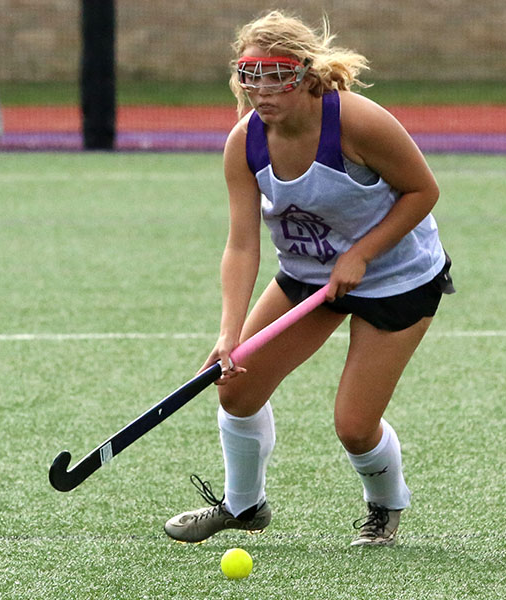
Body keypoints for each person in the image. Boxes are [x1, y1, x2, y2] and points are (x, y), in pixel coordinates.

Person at [164, 10, 453, 547]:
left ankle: (385, 507)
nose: (263, 90)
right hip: (307, 276)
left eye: (277, 75)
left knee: (354, 426)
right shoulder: (244, 142)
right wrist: (228, 335)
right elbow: (243, 244)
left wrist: (362, 253)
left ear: (305, 74)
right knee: (237, 390)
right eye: (251, 75)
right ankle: (244, 506)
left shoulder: (358, 123)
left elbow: (423, 191)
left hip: (397, 278)